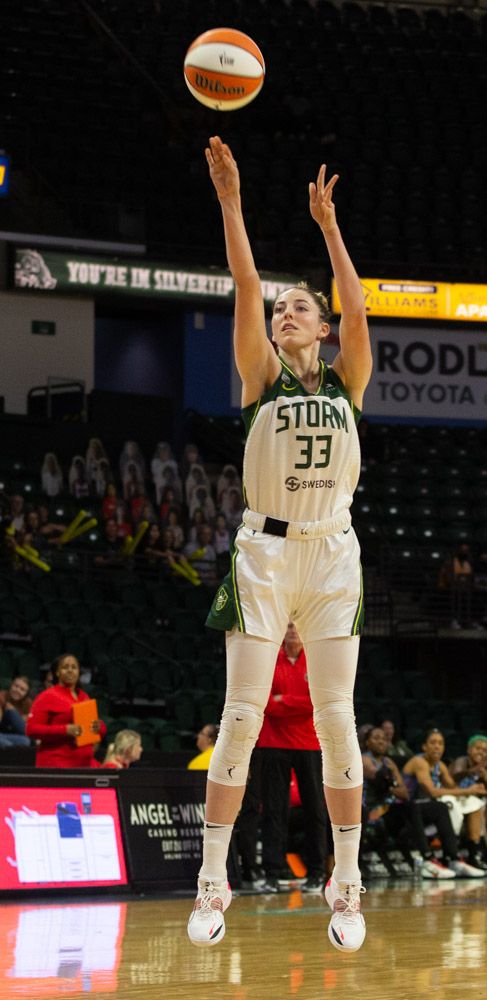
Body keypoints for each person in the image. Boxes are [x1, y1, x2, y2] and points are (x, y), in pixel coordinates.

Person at [187, 136, 372, 952]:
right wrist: (231, 200)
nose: (282, 313)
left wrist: (328, 229)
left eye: (298, 307)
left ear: (322, 327)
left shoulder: (347, 379)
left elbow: (360, 311)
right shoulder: (258, 378)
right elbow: (246, 283)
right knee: (239, 716)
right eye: (279, 310)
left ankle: (347, 880)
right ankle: (211, 881)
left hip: (332, 552)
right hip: (262, 551)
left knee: (337, 717)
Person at [257, 622, 329, 894]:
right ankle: (273, 873)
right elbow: (263, 700)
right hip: (273, 741)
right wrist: (293, 702)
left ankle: (316, 873)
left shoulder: (315, 659)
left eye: (297, 628)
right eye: (287, 627)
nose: (292, 632)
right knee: (274, 808)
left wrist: (281, 701)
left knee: (315, 809)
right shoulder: (269, 658)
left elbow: (316, 701)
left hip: (309, 742)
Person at [362, 727, 453, 880]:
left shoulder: (389, 761)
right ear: (367, 742)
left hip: (389, 810)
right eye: (376, 738)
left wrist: (390, 783)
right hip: (370, 812)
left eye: (384, 738)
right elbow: (378, 777)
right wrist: (391, 783)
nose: (381, 741)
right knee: (411, 807)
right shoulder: (363, 758)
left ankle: (452, 858)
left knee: (436, 807)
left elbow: (404, 793)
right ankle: (426, 858)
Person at [402, 729, 486, 878]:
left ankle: (460, 857)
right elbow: (432, 792)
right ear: (424, 747)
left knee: (473, 802)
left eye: (440, 743)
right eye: (433, 743)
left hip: (426, 809)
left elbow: (452, 787)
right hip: (404, 809)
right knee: (444, 804)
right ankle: (445, 855)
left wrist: (474, 789)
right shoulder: (419, 761)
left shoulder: (439, 765)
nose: (437, 747)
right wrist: (467, 790)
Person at [26, 653, 106, 767]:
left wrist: (100, 727)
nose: (70, 670)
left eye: (74, 667)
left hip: (84, 764)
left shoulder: (84, 697)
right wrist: (65, 730)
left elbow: (94, 729)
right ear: (57, 673)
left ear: (78, 672)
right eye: (65, 667)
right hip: (56, 764)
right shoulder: (47, 696)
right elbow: (31, 729)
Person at [449, 734, 487, 870]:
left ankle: (477, 852)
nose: (481, 753)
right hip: (451, 797)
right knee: (476, 805)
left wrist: (484, 777)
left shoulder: (483, 769)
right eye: (478, 749)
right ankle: (474, 853)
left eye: (485, 751)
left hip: (467, 802)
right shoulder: (462, 761)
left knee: (479, 805)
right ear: (469, 750)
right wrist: (474, 770)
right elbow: (455, 776)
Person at [0, 676, 32, 748]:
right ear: (11, 686)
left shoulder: (27, 703)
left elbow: (29, 722)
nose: (17, 690)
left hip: (8, 735)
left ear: (26, 694)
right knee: (10, 711)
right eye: (16, 686)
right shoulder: (2, 696)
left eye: (22, 689)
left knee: (25, 741)